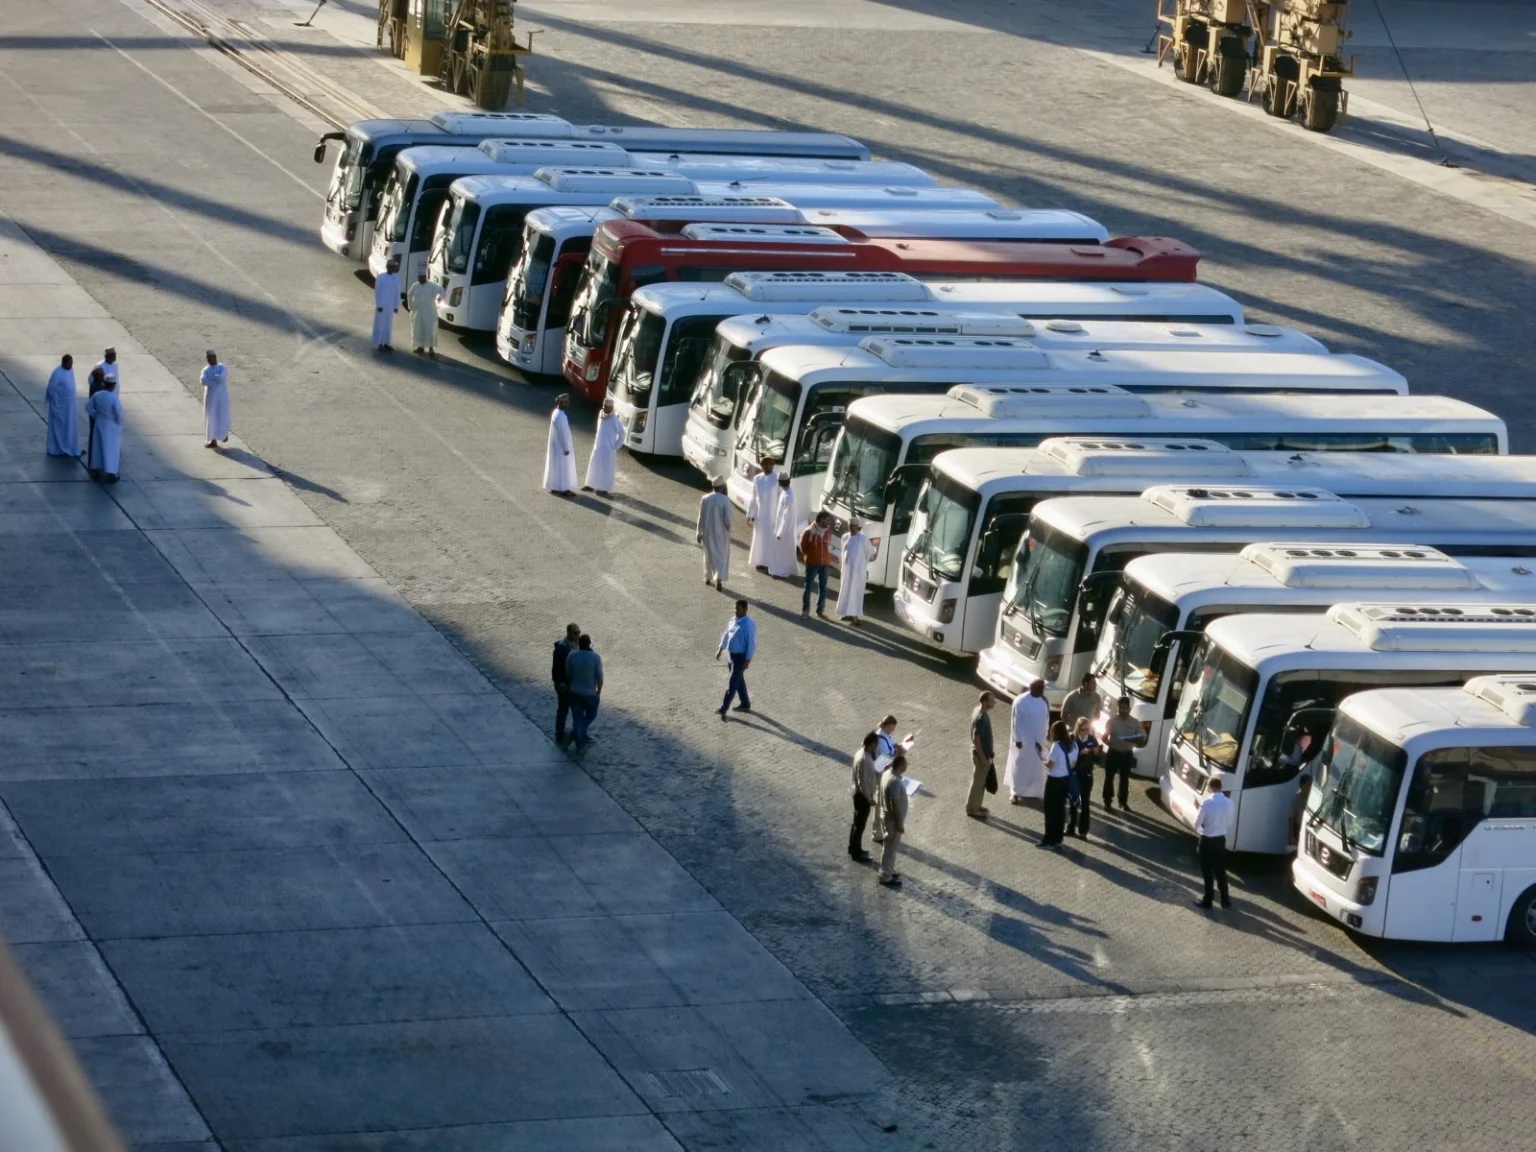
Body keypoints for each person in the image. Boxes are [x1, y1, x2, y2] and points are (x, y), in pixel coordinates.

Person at [1005, 679, 1050, 805]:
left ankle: (1033, 792)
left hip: (1038, 741)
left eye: (1043, 688)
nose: (1042, 690)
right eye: (1040, 688)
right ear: (1032, 687)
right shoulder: (1021, 701)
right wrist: (1017, 739)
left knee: (1035, 768)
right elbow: (1016, 722)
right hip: (1024, 742)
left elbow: (1046, 720)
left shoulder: (1043, 701)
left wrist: (1045, 736)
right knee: (1019, 767)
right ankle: (1015, 792)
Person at [1193, 774, 1234, 908]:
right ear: (1220, 787)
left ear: (1210, 787)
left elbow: (1197, 823)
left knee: (1207, 871)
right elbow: (1230, 821)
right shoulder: (1229, 802)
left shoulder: (1206, 803)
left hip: (1207, 840)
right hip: (1221, 840)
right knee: (1220, 870)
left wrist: (1198, 809)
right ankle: (1225, 899)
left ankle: (1208, 899)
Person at [1103, 696, 1147, 812]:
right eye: (1120, 708)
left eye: (1125, 708)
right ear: (1117, 708)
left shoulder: (1135, 722)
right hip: (1113, 753)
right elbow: (1104, 737)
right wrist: (1109, 743)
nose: (1122, 710)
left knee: (1124, 779)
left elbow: (1142, 738)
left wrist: (1138, 740)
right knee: (1109, 778)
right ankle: (1107, 801)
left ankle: (1123, 802)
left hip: (1126, 754)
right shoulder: (1112, 721)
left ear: (1129, 708)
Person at [1039, 720, 1076, 848]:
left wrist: (1042, 758)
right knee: (1060, 809)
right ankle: (1058, 837)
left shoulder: (1056, 746)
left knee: (1050, 810)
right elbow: (1073, 763)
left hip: (1054, 781)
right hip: (1065, 780)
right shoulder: (1072, 745)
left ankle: (1049, 839)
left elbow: (1050, 764)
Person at [715, 599, 755, 716]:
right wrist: (720, 649)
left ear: (745, 610)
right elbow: (727, 635)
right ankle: (745, 703)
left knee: (732, 684)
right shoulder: (733, 620)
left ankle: (723, 708)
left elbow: (751, 644)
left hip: (740, 658)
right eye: (735, 608)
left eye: (738, 609)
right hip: (731, 656)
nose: (736, 611)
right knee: (739, 681)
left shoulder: (748, 625)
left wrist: (748, 660)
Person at [564, 634, 603, 751]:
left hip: (574, 692)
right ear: (589, 644)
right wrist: (598, 692)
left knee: (577, 718)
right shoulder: (595, 657)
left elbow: (568, 674)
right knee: (591, 715)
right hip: (590, 693)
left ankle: (578, 739)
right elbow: (600, 678)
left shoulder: (572, 655)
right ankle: (577, 735)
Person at [876, 753, 909, 887]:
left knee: (889, 847)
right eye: (905, 765)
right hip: (892, 821)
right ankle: (885, 876)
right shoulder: (895, 781)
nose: (906, 767)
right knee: (890, 848)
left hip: (887, 816)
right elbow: (894, 803)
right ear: (900, 766)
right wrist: (900, 823)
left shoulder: (887, 774)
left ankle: (888, 870)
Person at [849, 731, 880, 863]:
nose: (876, 748)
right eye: (875, 745)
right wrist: (869, 798)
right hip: (862, 796)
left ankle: (853, 847)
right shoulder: (863, 759)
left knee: (857, 823)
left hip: (860, 794)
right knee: (859, 825)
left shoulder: (862, 753)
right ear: (871, 744)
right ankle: (857, 852)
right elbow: (862, 782)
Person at [84, 377, 123, 483]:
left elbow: (88, 407)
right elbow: (118, 414)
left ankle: (96, 468)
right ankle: (110, 472)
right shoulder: (114, 398)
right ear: (113, 385)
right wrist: (119, 423)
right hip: (110, 425)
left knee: (97, 447)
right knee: (111, 449)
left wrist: (96, 416)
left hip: (99, 423)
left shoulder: (97, 395)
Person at [582, 398, 624, 496]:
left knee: (606, 469)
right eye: (604, 406)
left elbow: (622, 434)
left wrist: (616, 447)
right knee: (594, 465)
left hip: (608, 449)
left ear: (612, 407)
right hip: (598, 446)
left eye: (607, 407)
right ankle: (590, 485)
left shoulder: (614, 420)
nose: (605, 408)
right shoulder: (601, 414)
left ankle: (603, 488)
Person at [697, 478, 733, 590]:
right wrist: (730, 529)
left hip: (707, 532)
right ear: (722, 487)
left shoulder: (705, 498)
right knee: (721, 556)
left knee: (708, 556)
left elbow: (701, 516)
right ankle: (718, 579)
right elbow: (728, 520)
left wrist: (699, 532)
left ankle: (708, 577)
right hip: (721, 533)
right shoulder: (725, 500)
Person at [1068, 716, 1100, 839]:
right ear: (1077, 729)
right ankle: (1070, 828)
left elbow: (1098, 757)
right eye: (1082, 730)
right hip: (1075, 774)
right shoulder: (1073, 739)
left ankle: (1083, 831)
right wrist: (1080, 753)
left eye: (1087, 729)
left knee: (1085, 803)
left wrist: (1094, 751)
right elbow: (1068, 756)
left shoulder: (1092, 739)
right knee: (1073, 801)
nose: (1085, 732)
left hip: (1087, 774)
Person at [799, 510, 835, 618]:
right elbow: (803, 548)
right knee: (808, 587)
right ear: (821, 519)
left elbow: (827, 545)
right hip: (812, 563)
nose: (829, 522)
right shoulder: (809, 531)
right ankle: (805, 610)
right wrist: (811, 556)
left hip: (825, 563)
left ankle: (820, 610)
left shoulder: (828, 532)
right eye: (827, 520)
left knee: (823, 588)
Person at [966, 691, 996, 821]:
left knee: (980, 783)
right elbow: (976, 739)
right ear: (984, 702)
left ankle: (976, 805)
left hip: (982, 755)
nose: (994, 702)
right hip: (980, 756)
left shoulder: (978, 711)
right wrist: (983, 758)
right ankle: (972, 809)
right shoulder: (981, 718)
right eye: (991, 700)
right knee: (977, 783)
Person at [835, 519, 871, 625]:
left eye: (854, 526)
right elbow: (843, 552)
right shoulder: (845, 537)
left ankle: (855, 616)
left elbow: (869, 552)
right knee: (846, 591)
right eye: (850, 526)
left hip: (858, 572)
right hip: (847, 571)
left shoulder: (863, 538)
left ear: (858, 527)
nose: (852, 528)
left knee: (856, 593)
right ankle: (845, 613)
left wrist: (861, 564)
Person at [746, 457, 779, 571]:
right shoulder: (757, 479)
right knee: (759, 538)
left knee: (770, 538)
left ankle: (770, 563)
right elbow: (754, 497)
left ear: (773, 465)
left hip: (773, 515)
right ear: (761, 466)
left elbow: (781, 497)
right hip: (760, 515)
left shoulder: (777, 479)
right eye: (765, 465)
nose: (767, 467)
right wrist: (750, 514)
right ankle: (759, 561)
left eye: (770, 465)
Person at [551, 622, 580, 747]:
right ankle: (559, 735)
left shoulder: (577, 645)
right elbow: (556, 669)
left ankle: (576, 734)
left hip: (575, 684)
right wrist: (559, 683)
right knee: (563, 710)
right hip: (565, 685)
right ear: (568, 633)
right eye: (575, 633)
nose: (578, 635)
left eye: (579, 633)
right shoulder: (561, 649)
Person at [44, 355, 79, 457]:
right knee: (58, 427)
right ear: (64, 363)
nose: (71, 365)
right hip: (60, 405)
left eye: (72, 363)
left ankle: (69, 446)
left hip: (70, 406)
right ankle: (56, 448)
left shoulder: (70, 371)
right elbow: (51, 388)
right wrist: (54, 402)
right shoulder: (57, 373)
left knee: (69, 427)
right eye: (69, 363)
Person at [542, 395, 578, 495]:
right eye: (567, 402)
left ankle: (554, 486)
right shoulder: (560, 416)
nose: (569, 404)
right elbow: (562, 434)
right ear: (562, 403)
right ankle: (564, 489)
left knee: (556, 467)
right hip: (561, 447)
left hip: (557, 445)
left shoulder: (557, 413)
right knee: (563, 467)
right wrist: (566, 448)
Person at [766, 473, 798, 578]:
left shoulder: (788, 496)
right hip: (782, 527)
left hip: (785, 529)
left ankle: (781, 572)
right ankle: (778, 570)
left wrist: (780, 532)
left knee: (782, 552)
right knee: (780, 551)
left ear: (781, 482)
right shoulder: (786, 492)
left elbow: (786, 516)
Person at [407, 269, 443, 356]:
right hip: (418, 312)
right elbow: (409, 294)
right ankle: (420, 347)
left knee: (429, 330)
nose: (421, 279)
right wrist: (411, 306)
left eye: (422, 277)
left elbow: (442, 291)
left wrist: (440, 298)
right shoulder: (415, 285)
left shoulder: (432, 285)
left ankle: (431, 348)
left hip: (429, 312)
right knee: (418, 330)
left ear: (425, 277)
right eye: (419, 278)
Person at [200, 350, 230, 449]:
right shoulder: (206, 370)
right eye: (208, 358)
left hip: (222, 397)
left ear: (215, 357)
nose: (209, 359)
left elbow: (220, 378)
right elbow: (203, 381)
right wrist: (214, 381)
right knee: (211, 417)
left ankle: (223, 434)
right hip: (210, 398)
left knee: (222, 415)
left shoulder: (222, 367)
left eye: (211, 357)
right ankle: (212, 440)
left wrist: (211, 380)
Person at [373, 257, 401, 350]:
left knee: (388, 324)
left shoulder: (396, 278)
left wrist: (396, 306)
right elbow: (377, 292)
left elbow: (397, 292)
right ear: (387, 267)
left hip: (390, 305)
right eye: (391, 267)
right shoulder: (381, 277)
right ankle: (380, 343)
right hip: (382, 305)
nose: (392, 268)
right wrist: (379, 305)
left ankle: (386, 343)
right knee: (380, 324)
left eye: (393, 267)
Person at [85, 361, 109, 464]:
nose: (103, 376)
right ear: (97, 376)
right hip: (97, 416)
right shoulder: (97, 387)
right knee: (95, 438)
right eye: (102, 375)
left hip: (96, 415)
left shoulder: (98, 385)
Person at [1287, 773, 1314, 855]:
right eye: (1308, 784)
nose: (1310, 787)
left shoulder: (1312, 798)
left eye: (1311, 784)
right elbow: (1291, 818)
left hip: (1309, 828)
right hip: (1298, 828)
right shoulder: (1296, 799)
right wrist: (1291, 836)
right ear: (1302, 785)